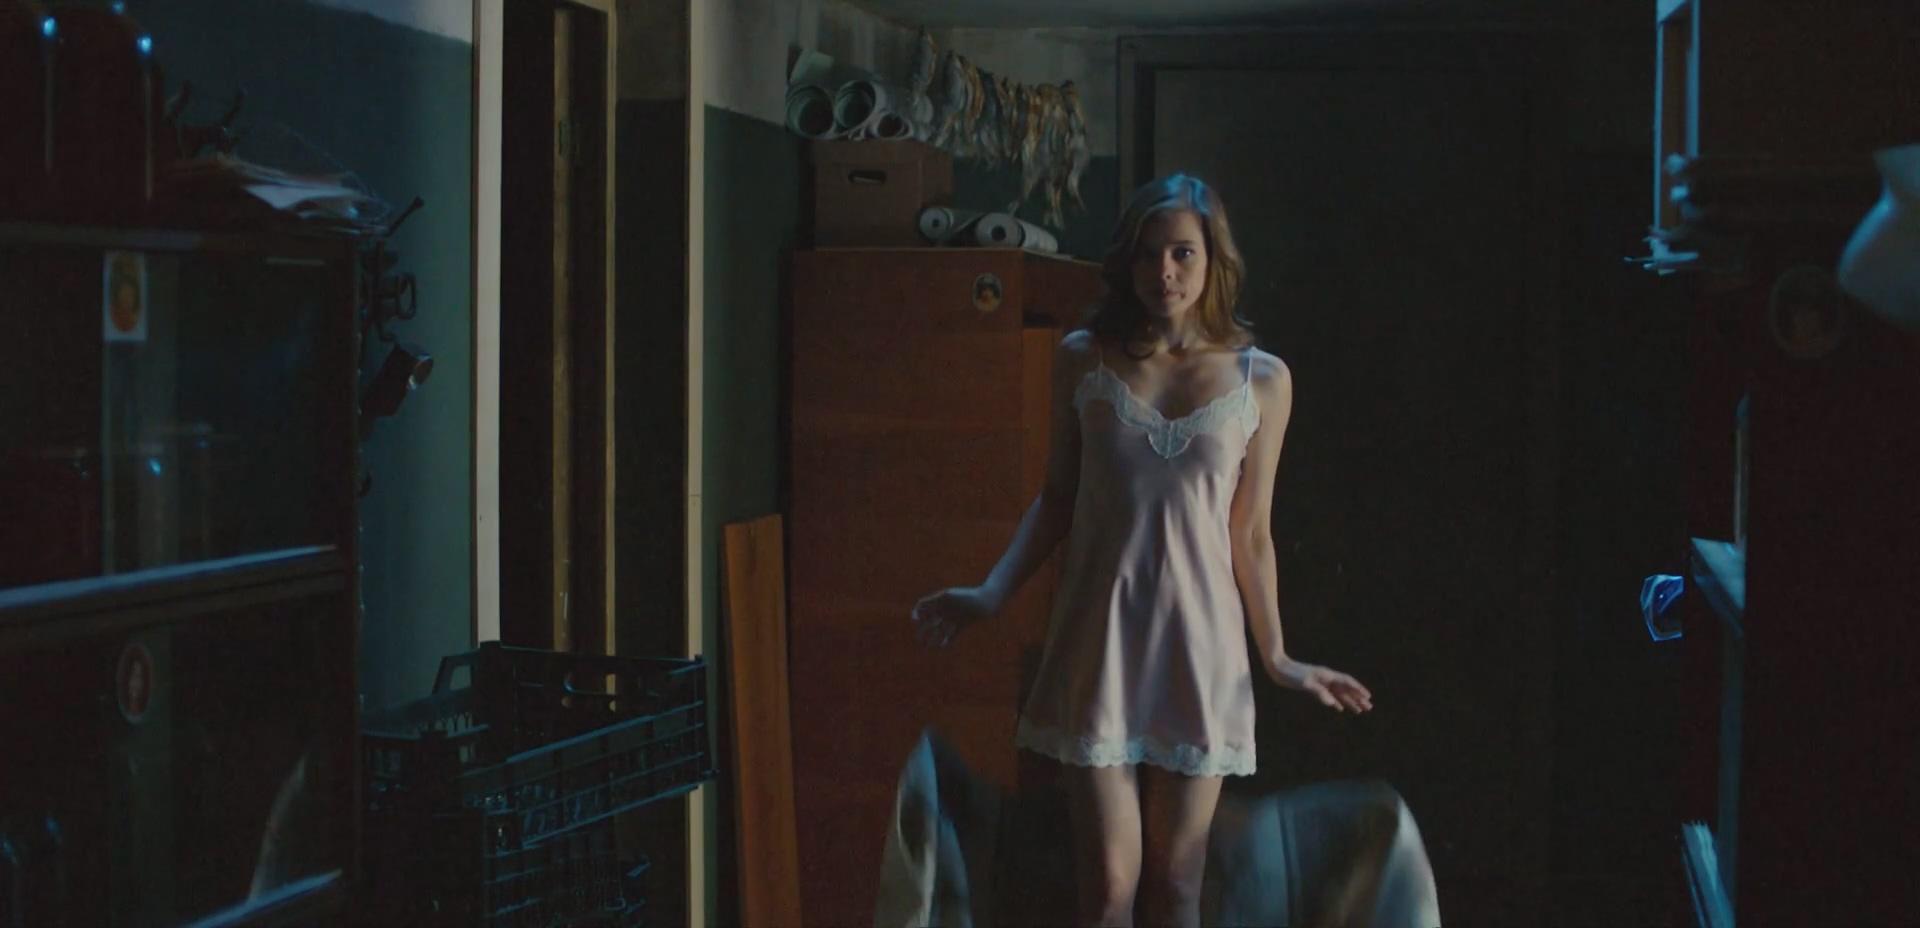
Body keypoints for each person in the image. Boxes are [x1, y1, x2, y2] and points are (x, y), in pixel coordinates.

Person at [911, 173, 1374, 927]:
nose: (1164, 271)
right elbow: (1057, 498)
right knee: (1106, 892)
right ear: (1127, 262)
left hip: (1202, 648)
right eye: (1148, 254)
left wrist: (1279, 656)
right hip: (1101, 643)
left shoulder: (1262, 380)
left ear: (1213, 260)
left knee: (1179, 883)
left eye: (1183, 253)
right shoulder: (1082, 359)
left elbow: (1251, 532)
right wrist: (992, 592)